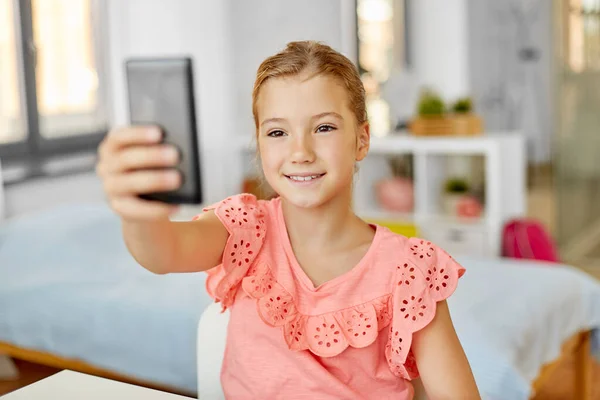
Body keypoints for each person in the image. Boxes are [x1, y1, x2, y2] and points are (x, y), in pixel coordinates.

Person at [96, 40, 480, 399]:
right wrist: (137, 212)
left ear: (362, 140)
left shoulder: (409, 269)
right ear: (260, 143)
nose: (300, 151)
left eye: (324, 127)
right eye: (277, 132)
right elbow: (162, 252)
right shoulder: (247, 227)